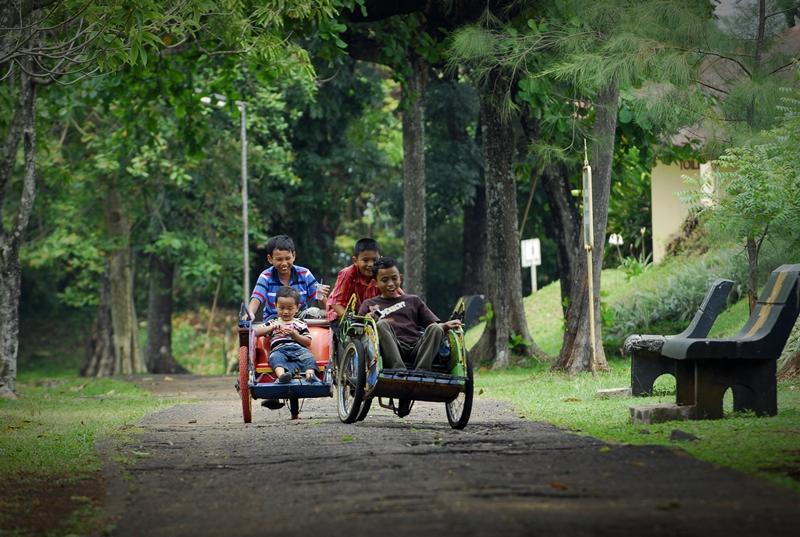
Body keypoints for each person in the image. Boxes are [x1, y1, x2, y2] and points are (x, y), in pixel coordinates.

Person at [358, 257, 461, 372]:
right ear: (375, 283)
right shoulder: (369, 304)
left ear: (400, 278)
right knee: (382, 324)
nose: (390, 284)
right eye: (384, 280)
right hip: (391, 348)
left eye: (394, 278)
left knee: (436, 328)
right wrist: (368, 321)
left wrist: (446, 325)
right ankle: (399, 370)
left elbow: (432, 327)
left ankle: (421, 372)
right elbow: (359, 334)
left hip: (417, 347)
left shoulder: (413, 300)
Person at [247, 234, 330, 321]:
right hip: (274, 319)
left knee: (315, 312)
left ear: (293, 256)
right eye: (279, 259)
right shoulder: (266, 277)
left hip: (300, 318)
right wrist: (250, 314)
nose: (284, 263)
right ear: (270, 259)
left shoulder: (304, 274)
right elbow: (256, 299)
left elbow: (320, 300)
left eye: (287, 258)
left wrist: (321, 294)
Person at [326, 238, 400, 333]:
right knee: (349, 331)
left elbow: (398, 296)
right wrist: (352, 321)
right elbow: (337, 304)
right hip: (343, 314)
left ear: (380, 259)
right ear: (355, 260)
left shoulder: (381, 274)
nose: (370, 264)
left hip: (368, 316)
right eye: (365, 260)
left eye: (374, 260)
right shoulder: (348, 274)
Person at [255, 286, 320, 383]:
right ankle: (282, 376)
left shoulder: (300, 323)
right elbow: (256, 332)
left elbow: (308, 342)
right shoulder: (273, 322)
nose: (285, 312)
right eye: (281, 308)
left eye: (290, 308)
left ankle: (310, 375)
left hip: (298, 350)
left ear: (297, 308)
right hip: (279, 350)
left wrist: (295, 335)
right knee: (274, 358)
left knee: (309, 357)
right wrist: (272, 327)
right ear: (275, 306)